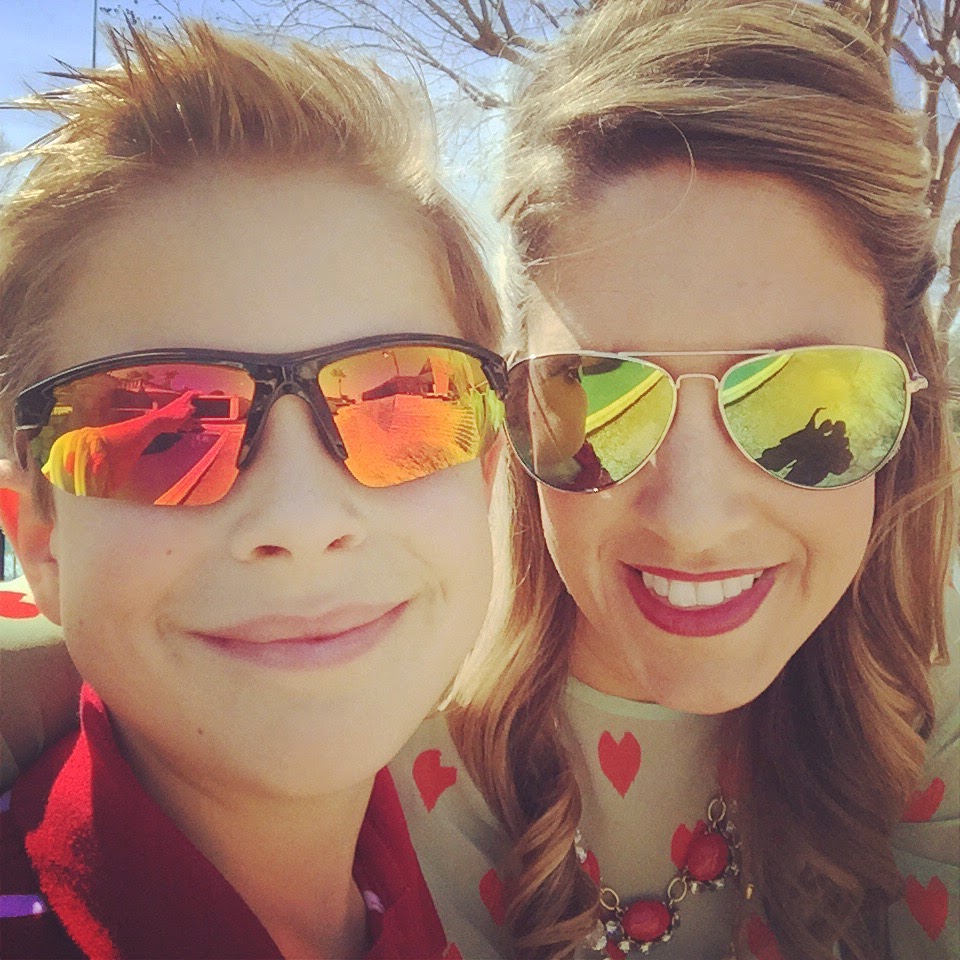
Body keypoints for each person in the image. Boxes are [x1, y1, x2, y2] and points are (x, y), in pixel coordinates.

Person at [388, 1, 960, 958]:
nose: (693, 520)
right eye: (602, 398)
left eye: (806, 403)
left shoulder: (931, 677)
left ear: (908, 395)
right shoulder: (380, 720)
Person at [0, 20, 506, 958]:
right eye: (162, 429)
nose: (300, 518)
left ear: (481, 475)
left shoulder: (467, 880)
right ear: (40, 538)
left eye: (402, 403)